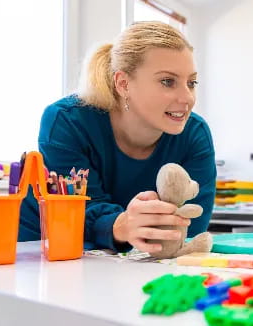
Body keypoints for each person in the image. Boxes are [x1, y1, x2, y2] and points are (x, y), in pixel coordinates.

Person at [19, 21, 216, 254]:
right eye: (167, 81)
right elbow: (76, 210)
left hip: (125, 257)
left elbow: (189, 227)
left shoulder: (195, 134)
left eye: (191, 83)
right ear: (123, 84)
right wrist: (120, 224)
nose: (187, 98)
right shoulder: (67, 120)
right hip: (43, 246)